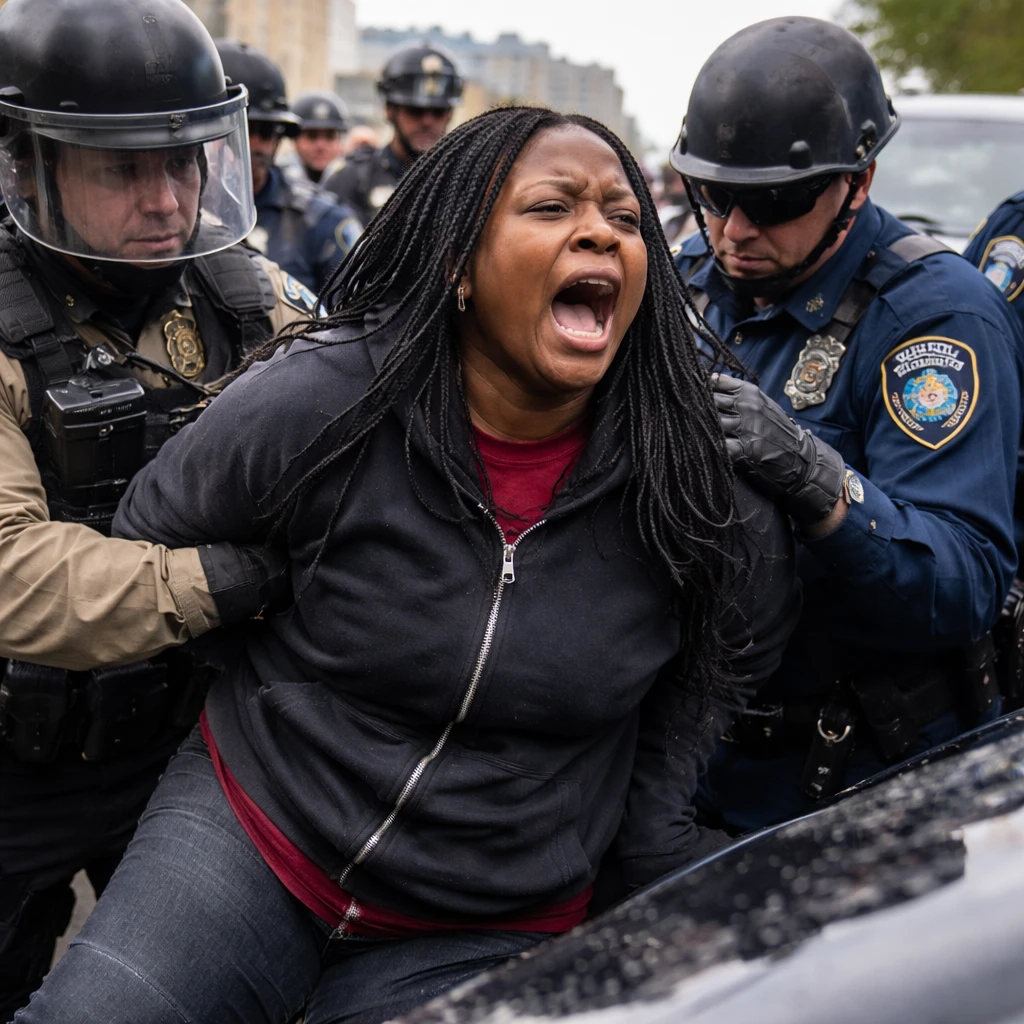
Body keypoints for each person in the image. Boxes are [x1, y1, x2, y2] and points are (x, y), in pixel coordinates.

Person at [16, 106, 798, 1024]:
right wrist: (267, 634)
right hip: (254, 840)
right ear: (459, 263)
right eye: (552, 207)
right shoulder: (322, 396)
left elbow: (738, 643)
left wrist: (649, 823)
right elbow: (154, 529)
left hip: (488, 917)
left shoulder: (696, 482)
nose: (598, 232)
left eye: (624, 219)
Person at [0, 0, 305, 1017]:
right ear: (31, 166)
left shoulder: (246, 297)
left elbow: (369, 398)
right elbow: (12, 574)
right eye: (122, 169)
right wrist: (228, 579)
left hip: (184, 749)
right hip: (14, 764)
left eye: (183, 162)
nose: (167, 198)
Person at [671, 17, 1024, 834]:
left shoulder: (935, 320)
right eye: (714, 196)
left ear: (858, 182)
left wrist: (819, 483)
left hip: (859, 781)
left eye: (775, 202)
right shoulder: (683, 281)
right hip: (685, 765)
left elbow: (964, 584)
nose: (735, 230)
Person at [215, 41, 361, 295]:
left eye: (267, 131)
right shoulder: (172, 212)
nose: (256, 144)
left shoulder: (319, 219)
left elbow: (354, 311)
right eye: (244, 128)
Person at [321, 44, 463, 227]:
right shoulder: (351, 180)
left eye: (438, 112)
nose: (427, 121)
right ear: (389, 110)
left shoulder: (465, 183)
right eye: (415, 110)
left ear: (450, 114)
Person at [284, 90, 350, 186]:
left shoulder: (352, 182)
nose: (321, 146)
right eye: (312, 136)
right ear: (294, 139)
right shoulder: (277, 183)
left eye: (329, 136)